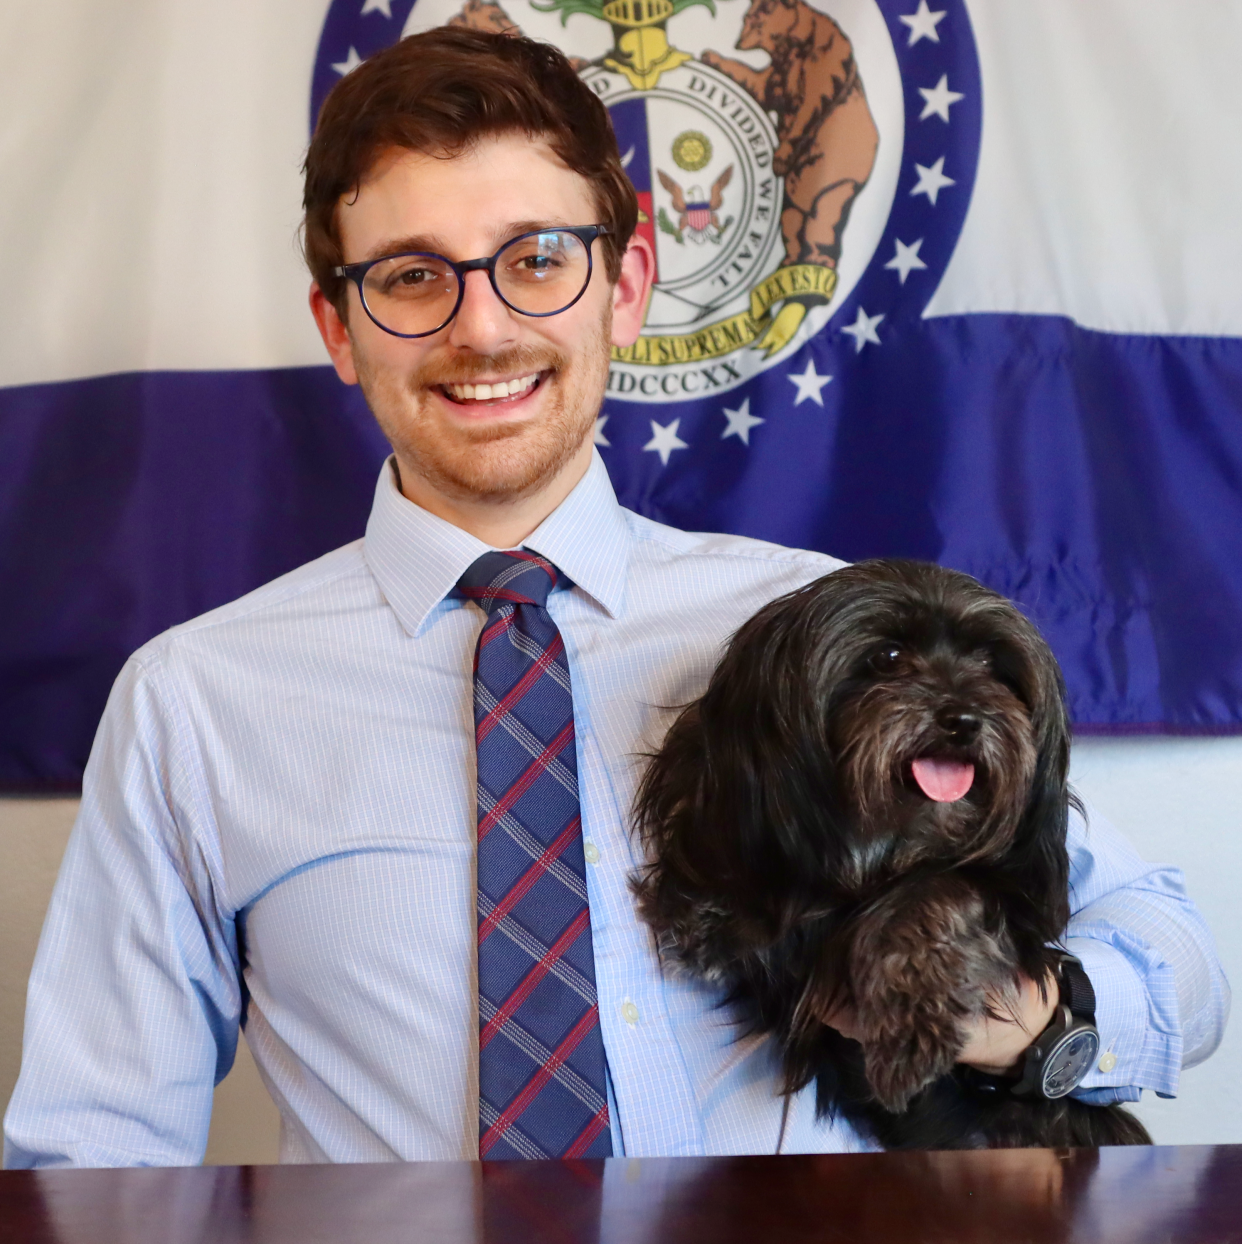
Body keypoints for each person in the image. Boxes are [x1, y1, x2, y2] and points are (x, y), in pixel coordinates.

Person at [4, 28, 1227, 1167]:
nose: (481, 328)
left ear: (626, 283)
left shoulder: (827, 637)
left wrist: (1022, 1022)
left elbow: (1174, 956)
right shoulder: (196, 702)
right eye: (414, 276)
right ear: (339, 325)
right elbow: (93, 1152)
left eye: (537, 259)